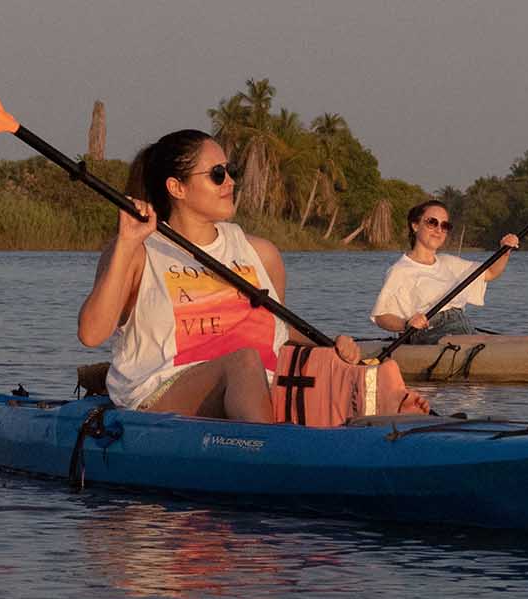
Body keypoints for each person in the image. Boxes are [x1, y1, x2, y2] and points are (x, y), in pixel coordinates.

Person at [78, 129, 426, 423]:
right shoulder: (138, 249)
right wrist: (126, 243)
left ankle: (412, 432)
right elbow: (92, 334)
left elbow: (278, 330)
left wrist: (331, 345)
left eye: (229, 171)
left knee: (372, 371)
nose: (230, 182)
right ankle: (273, 455)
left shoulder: (260, 252)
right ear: (177, 187)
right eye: (216, 174)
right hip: (158, 392)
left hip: (258, 388)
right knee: (244, 362)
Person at [371, 200, 519, 342]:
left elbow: (490, 273)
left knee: (515, 343)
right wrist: (406, 324)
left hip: (462, 327)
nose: (438, 230)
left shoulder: (448, 262)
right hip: (430, 331)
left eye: (445, 225)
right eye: (432, 222)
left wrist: (505, 250)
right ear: (415, 225)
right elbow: (381, 316)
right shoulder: (400, 270)